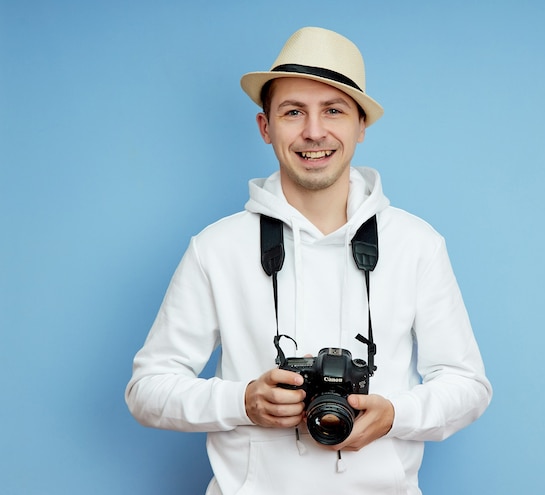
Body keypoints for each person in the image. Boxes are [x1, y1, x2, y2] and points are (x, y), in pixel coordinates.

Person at [125, 26, 492, 495]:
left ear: (361, 125)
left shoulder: (417, 244)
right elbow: (146, 391)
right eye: (293, 112)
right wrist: (243, 400)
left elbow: (468, 385)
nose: (314, 131)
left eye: (333, 110)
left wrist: (397, 414)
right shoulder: (216, 248)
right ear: (266, 127)